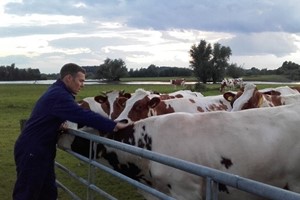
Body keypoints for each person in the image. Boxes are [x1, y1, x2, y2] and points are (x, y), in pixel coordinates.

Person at [13, 63, 130, 200]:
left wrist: (56, 125)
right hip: (33, 150)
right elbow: (82, 115)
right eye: (80, 80)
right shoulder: (59, 95)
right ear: (69, 78)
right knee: (28, 193)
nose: (83, 85)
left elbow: (50, 116)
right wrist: (113, 125)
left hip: (39, 149)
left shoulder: (57, 91)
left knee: (48, 192)